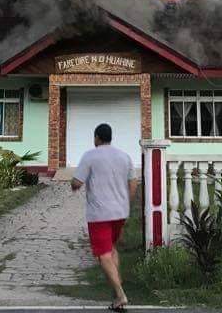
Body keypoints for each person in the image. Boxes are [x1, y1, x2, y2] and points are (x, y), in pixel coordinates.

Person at [71, 122, 138, 311]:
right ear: (110, 137)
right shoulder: (124, 156)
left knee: (103, 254)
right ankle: (116, 282)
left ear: (96, 138)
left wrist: (73, 184)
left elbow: (77, 182)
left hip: (99, 214)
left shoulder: (90, 156)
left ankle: (120, 294)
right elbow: (133, 182)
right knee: (111, 248)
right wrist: (126, 203)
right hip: (120, 213)